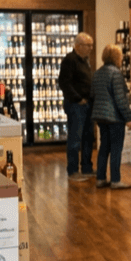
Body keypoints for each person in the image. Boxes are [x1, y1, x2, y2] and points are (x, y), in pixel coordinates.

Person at [91, 44, 131, 189]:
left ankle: (101, 178)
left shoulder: (97, 73)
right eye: (120, 56)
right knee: (116, 148)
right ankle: (115, 180)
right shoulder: (115, 73)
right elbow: (120, 99)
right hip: (114, 118)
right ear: (116, 57)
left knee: (104, 147)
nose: (122, 58)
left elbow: (93, 96)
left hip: (100, 117)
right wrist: (128, 118)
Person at [58, 32, 95, 181]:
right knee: (75, 139)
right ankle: (73, 171)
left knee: (88, 137)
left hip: (88, 105)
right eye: (88, 45)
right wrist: (78, 99)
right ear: (78, 46)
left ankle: (87, 168)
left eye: (91, 45)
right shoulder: (70, 60)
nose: (91, 48)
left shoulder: (85, 61)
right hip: (76, 106)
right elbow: (64, 83)